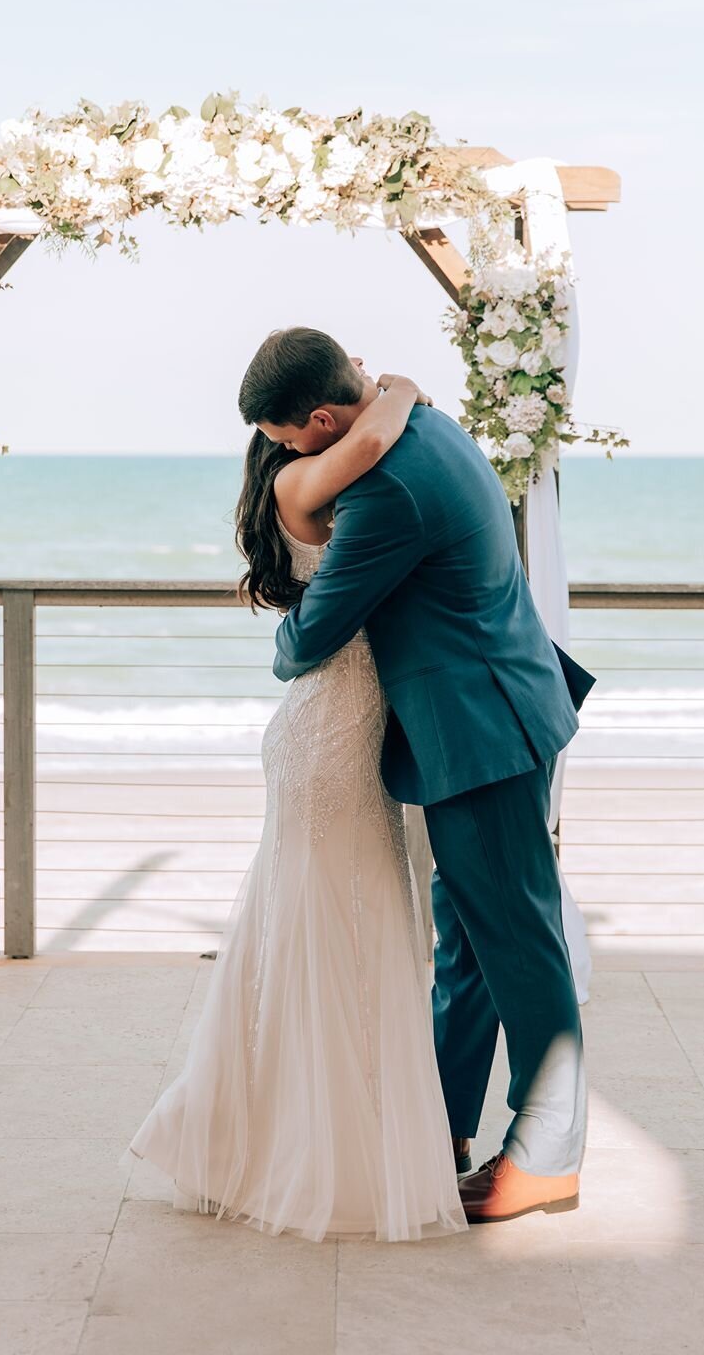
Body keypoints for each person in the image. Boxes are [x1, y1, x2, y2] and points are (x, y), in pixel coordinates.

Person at [125, 343, 466, 1242]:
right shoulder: (304, 483)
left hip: (335, 731)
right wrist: (395, 384)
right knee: (333, 931)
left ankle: (306, 1132)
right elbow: (381, 426)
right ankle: (322, 1151)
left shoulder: (298, 478)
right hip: (329, 740)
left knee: (333, 931)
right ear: (300, 434)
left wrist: (370, 388)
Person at [259, 328, 593, 1225]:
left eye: (288, 441)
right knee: (472, 938)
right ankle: (440, 1121)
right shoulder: (424, 426)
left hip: (481, 727)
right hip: (498, 703)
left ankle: (548, 1154)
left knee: (516, 939)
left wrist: (280, 643)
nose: (284, 458)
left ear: (323, 420)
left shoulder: (388, 492)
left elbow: (317, 632)